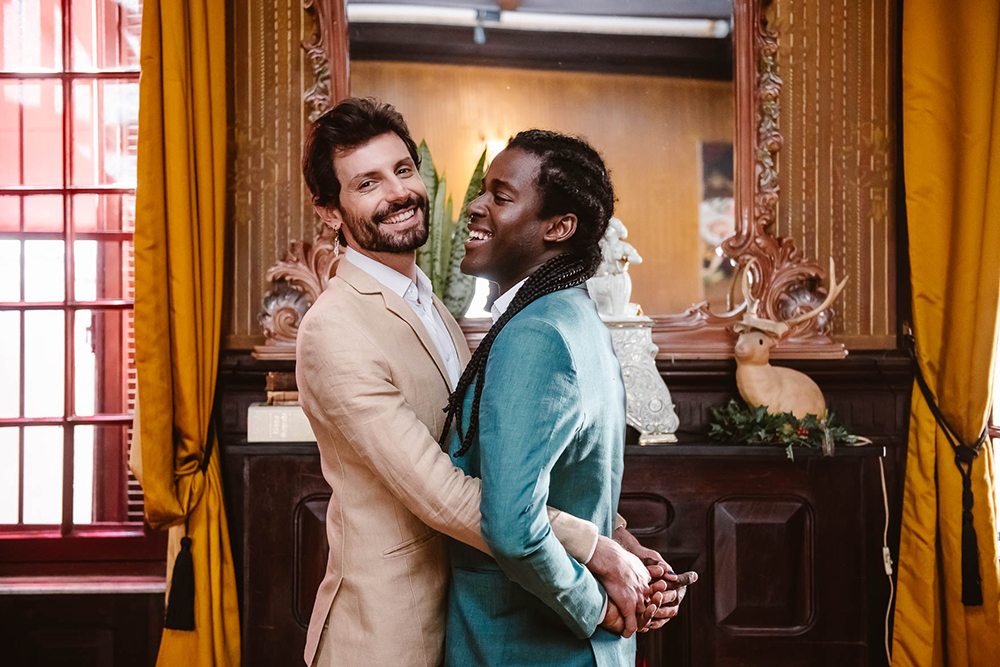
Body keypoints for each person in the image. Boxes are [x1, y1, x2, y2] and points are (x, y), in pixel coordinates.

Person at [295, 98, 683, 667]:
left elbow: (494, 455)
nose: (399, 193)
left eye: (403, 170)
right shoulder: (334, 328)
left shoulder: (429, 302)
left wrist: (617, 535)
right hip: (389, 632)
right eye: (368, 183)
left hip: (467, 621)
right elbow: (442, 491)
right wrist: (595, 551)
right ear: (330, 211)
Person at [443, 130, 696, 666]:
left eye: (500, 196)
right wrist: (621, 546)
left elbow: (513, 527)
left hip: (526, 648)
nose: (475, 206)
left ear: (558, 227)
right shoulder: (573, 316)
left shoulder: (536, 334)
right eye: (482, 190)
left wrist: (596, 607)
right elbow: (578, 482)